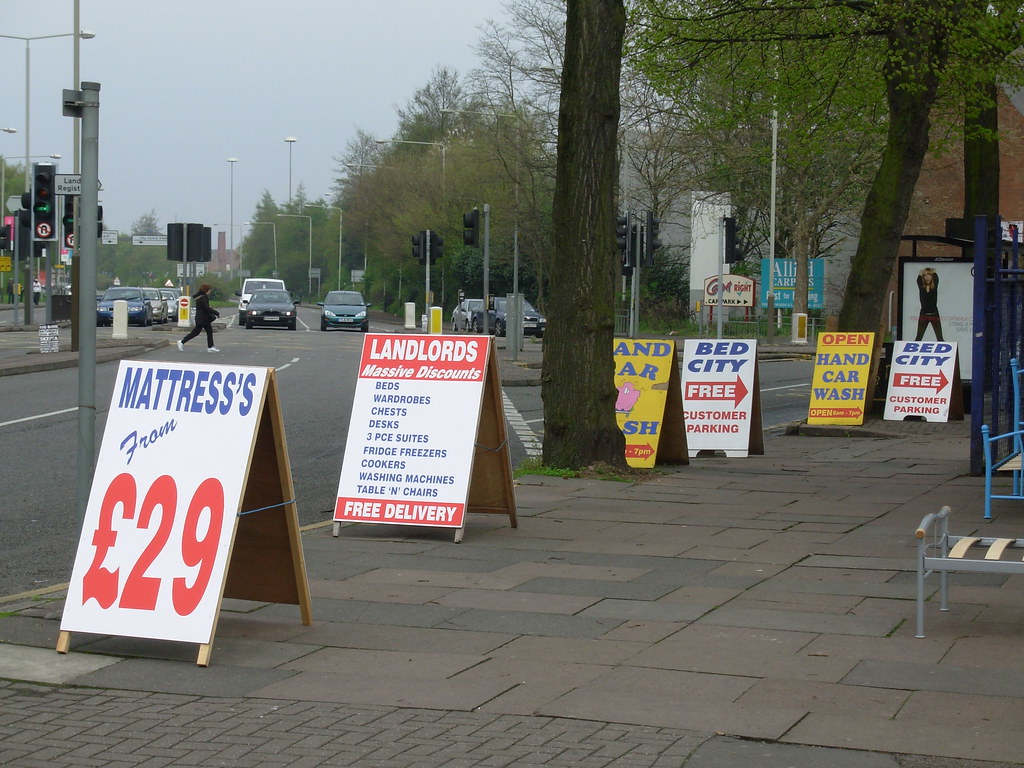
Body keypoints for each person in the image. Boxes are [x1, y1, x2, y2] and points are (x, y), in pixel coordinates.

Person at [177, 283, 220, 353]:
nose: (210, 291)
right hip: (202, 318)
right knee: (196, 332)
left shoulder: (200, 296)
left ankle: (210, 347)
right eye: (209, 290)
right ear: (207, 290)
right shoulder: (204, 297)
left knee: (209, 332)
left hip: (203, 318)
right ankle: (182, 341)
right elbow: (206, 308)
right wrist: (216, 313)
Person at [914, 267, 944, 342]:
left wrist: (933, 272)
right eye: (925, 275)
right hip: (924, 314)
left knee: (940, 338)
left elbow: (936, 278)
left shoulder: (934, 286)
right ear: (923, 277)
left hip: (934, 314)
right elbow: (918, 280)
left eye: (930, 275)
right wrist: (921, 273)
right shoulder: (922, 287)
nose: (928, 278)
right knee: (918, 338)